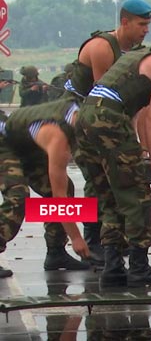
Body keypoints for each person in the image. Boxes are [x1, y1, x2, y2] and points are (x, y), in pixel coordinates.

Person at [75, 18, 151, 288]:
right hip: (108, 120)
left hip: (84, 118)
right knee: (137, 196)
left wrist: (141, 149)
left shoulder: (137, 55)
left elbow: (136, 113)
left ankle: (113, 267)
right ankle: (139, 268)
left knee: (110, 195)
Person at [67, 0, 151, 267]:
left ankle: (99, 240)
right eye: (141, 24)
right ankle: (91, 242)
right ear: (124, 22)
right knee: (91, 182)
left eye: (149, 25)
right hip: (73, 116)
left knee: (90, 182)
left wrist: (137, 142)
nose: (146, 30)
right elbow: (100, 97)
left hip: (98, 118)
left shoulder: (135, 51)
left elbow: (129, 103)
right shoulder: (103, 48)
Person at [0, 98, 92, 278]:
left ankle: (56, 252)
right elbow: (59, 196)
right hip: (3, 141)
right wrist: (76, 238)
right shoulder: (58, 137)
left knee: (65, 188)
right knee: (18, 196)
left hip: (23, 143)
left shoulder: (78, 115)